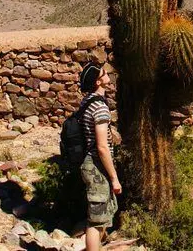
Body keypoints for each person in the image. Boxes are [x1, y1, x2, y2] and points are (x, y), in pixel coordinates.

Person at [78, 62, 120, 250]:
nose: (107, 73)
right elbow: (102, 147)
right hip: (96, 167)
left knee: (101, 215)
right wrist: (114, 178)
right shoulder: (100, 109)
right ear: (98, 81)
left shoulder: (87, 101)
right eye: (104, 73)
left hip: (90, 163)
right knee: (96, 221)